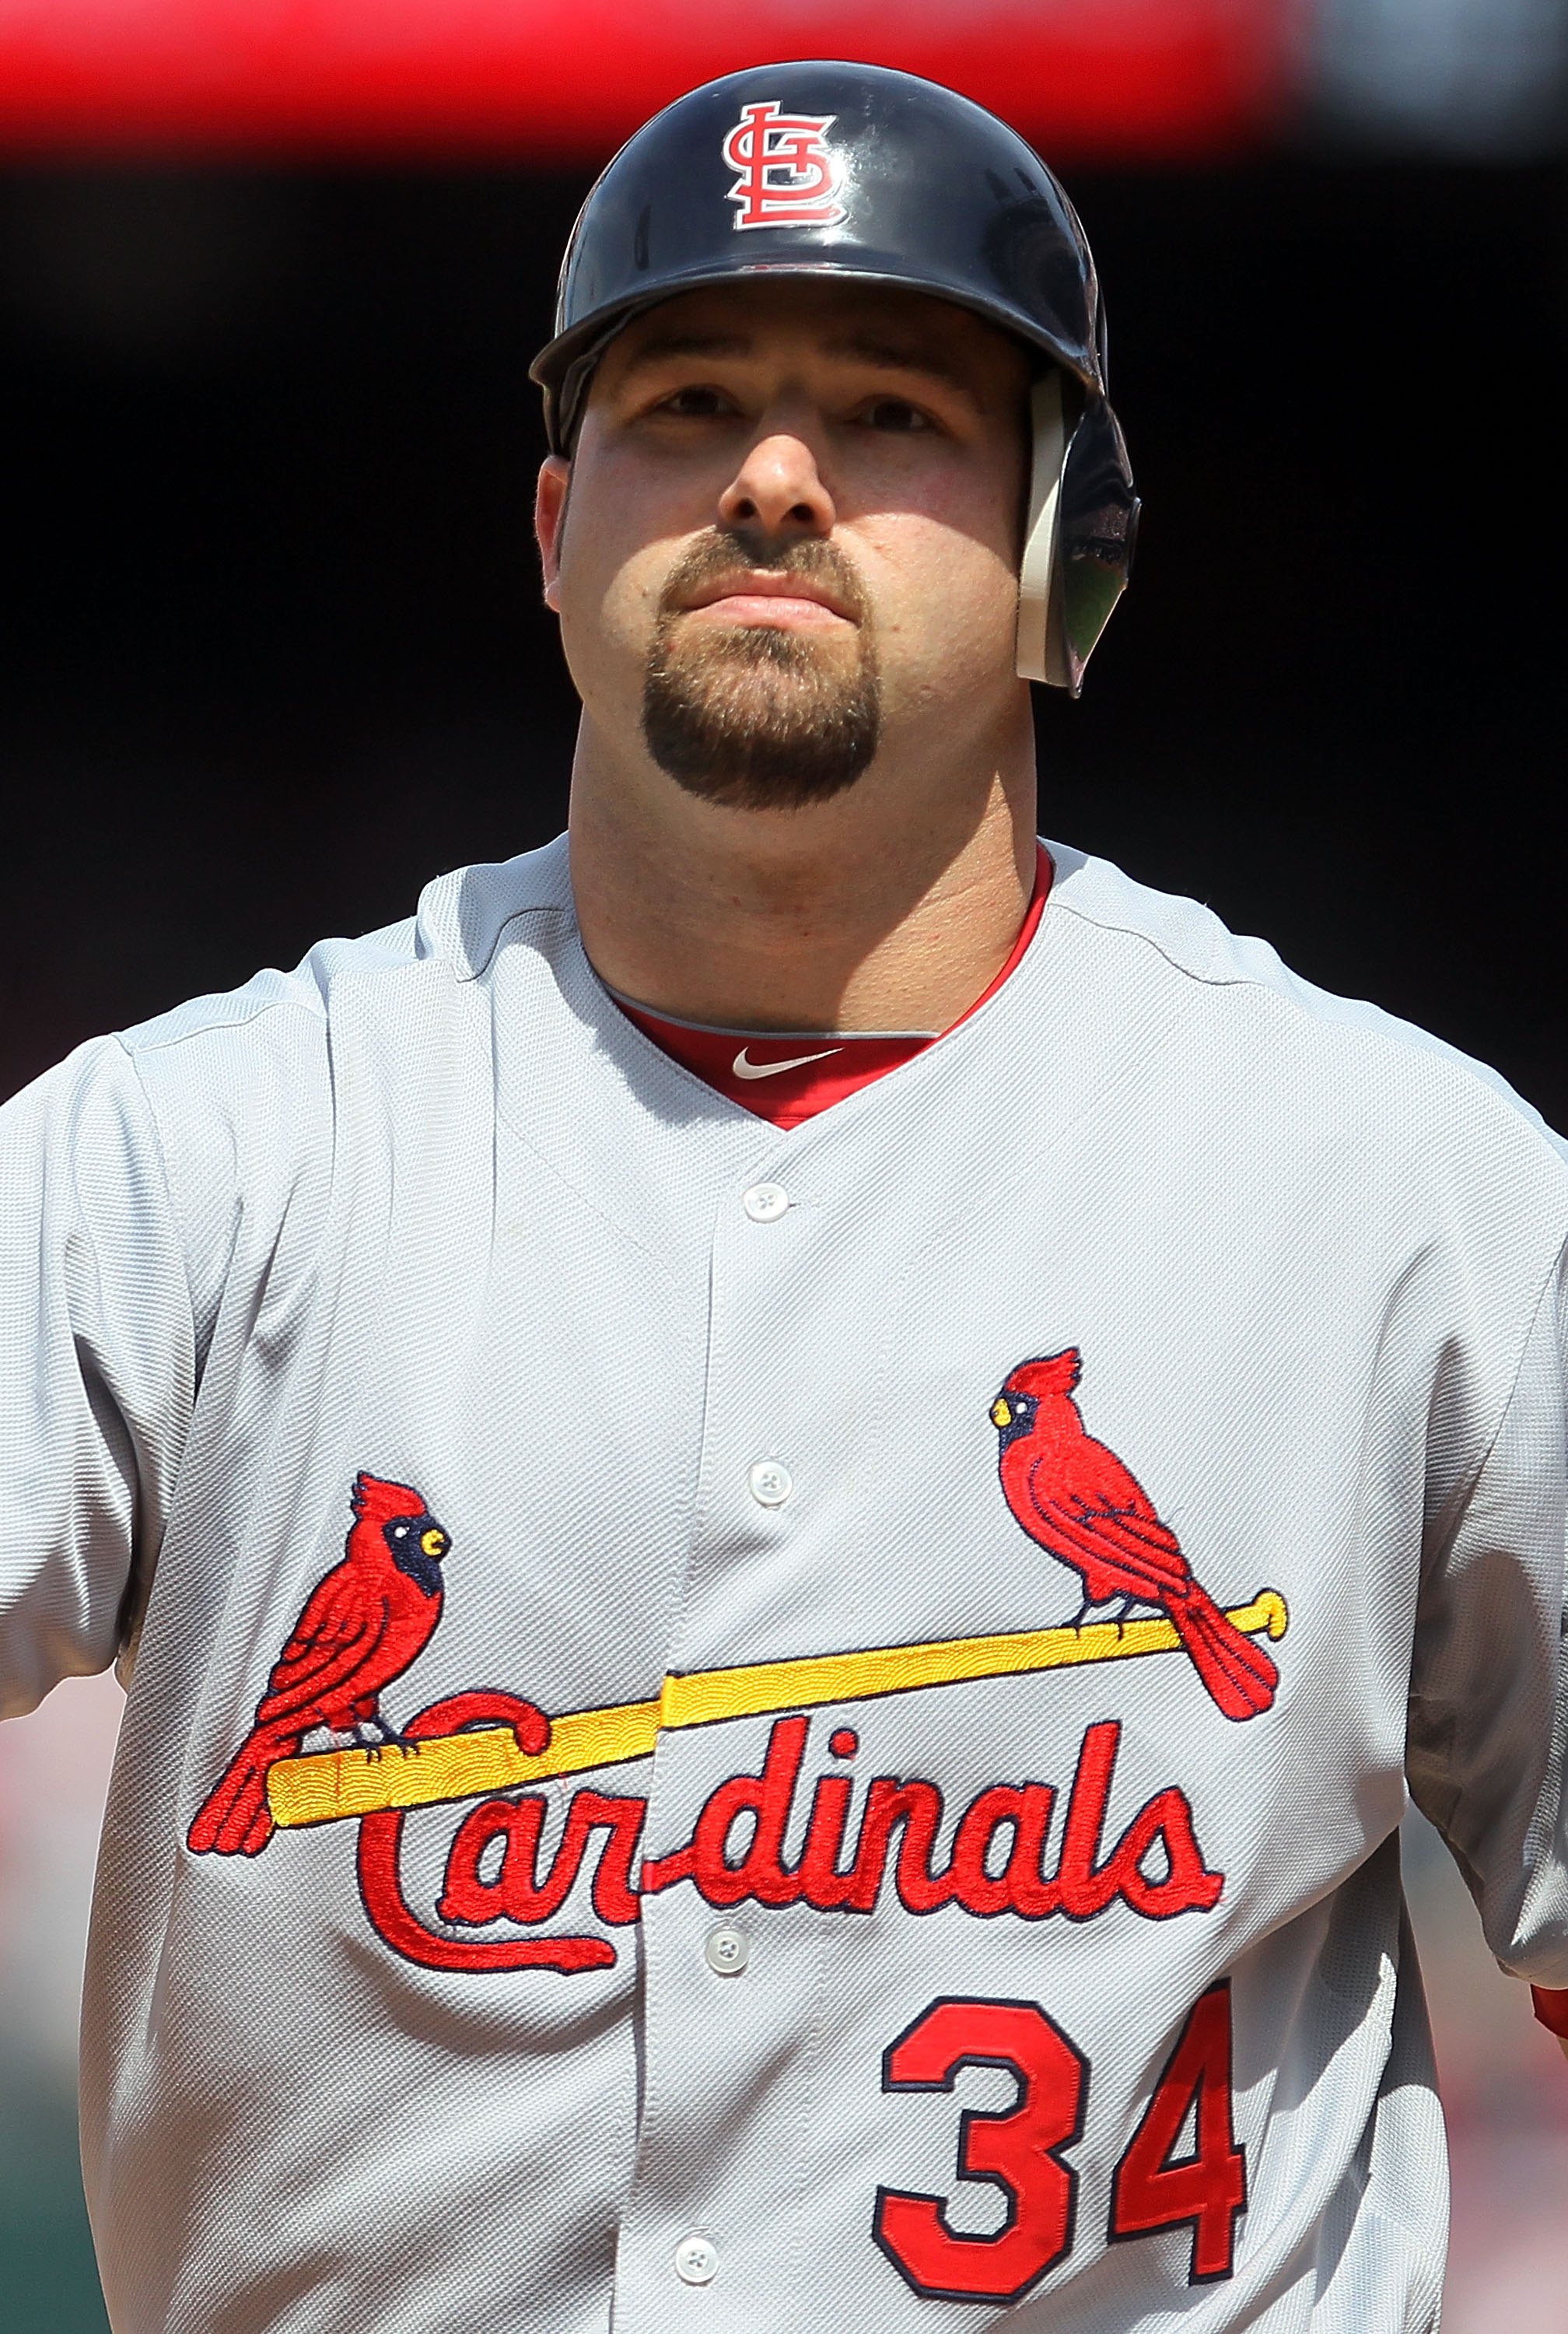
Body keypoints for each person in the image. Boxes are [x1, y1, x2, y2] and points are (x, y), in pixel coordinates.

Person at [1, 58, 1564, 2334]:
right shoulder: (203, 1154)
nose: (769, 474)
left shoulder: (1402, 1196)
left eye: (892, 413)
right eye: (687, 400)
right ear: (554, 532)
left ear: (1057, 555)